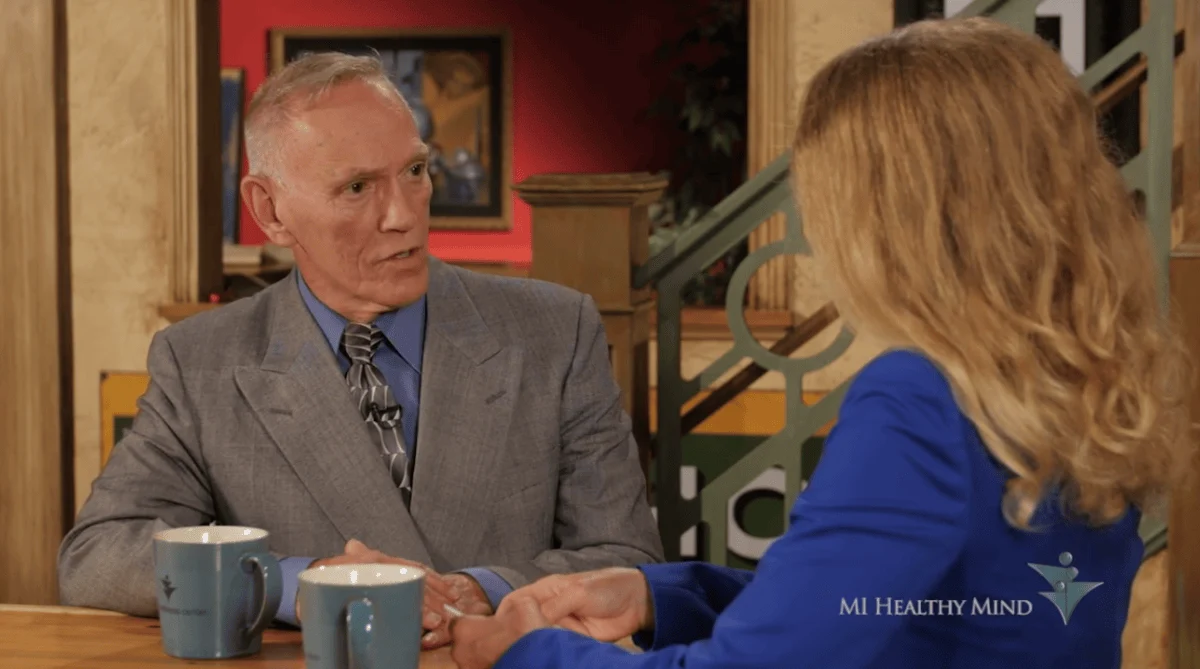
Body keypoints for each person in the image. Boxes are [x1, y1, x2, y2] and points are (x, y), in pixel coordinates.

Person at [447, 17, 1194, 669]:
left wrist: (527, 652)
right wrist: (657, 593)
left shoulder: (919, 399)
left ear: (892, 215)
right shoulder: (1067, 378)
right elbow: (889, 612)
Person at [57, 51, 664, 649]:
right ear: (269, 209)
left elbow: (627, 557)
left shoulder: (555, 332)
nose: (404, 215)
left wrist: (489, 588)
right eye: (356, 187)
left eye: (415, 172)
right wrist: (298, 583)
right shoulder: (201, 362)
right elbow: (98, 556)